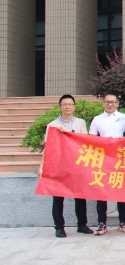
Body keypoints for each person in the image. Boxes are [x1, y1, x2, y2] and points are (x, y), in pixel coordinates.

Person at [39, 94, 92, 238]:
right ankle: (59, 227)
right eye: (64, 104)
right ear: (60, 107)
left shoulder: (80, 123)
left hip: (77, 164)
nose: (67, 107)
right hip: (58, 165)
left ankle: (82, 225)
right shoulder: (53, 125)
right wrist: (41, 166)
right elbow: (48, 147)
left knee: (80, 196)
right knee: (58, 198)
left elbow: (85, 140)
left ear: (74, 107)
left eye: (70, 104)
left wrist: (69, 132)